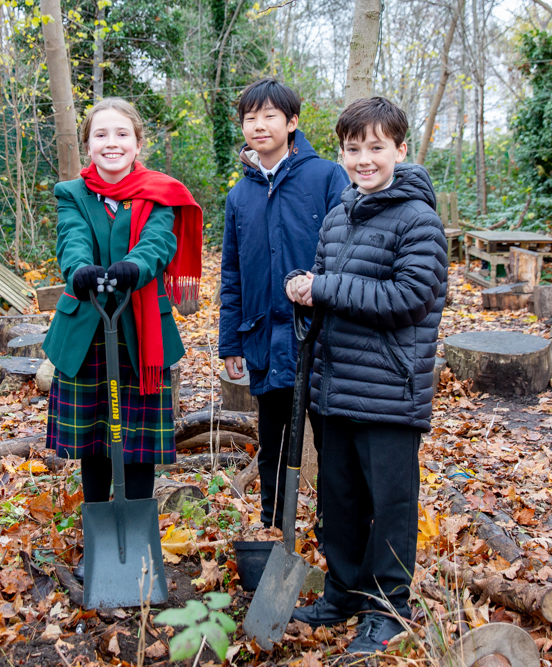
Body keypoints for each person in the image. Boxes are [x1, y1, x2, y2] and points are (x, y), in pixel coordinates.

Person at [284, 97, 448, 654]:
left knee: (390, 504)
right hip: (335, 386)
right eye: (353, 149)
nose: (364, 159)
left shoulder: (419, 220)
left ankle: (387, 608)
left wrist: (323, 288)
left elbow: (408, 298)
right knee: (341, 499)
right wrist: (304, 286)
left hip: (388, 389)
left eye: (377, 147)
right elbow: (330, 287)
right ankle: (343, 592)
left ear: (401, 150)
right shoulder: (339, 215)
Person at [42, 98, 203, 583]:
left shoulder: (161, 193)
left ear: (138, 143)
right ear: (87, 143)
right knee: (93, 440)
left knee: (138, 446)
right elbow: (70, 239)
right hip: (87, 331)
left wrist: (136, 266)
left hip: (140, 336)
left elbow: (160, 241)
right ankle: (99, 534)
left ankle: (134, 536)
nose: (111, 143)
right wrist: (80, 270)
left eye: (121, 135)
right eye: (101, 135)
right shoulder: (71, 192)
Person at [218, 79, 349, 541]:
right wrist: (230, 340)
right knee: (271, 442)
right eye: (250, 118)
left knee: (332, 444)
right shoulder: (239, 195)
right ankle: (274, 532)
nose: (259, 125)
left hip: (321, 338)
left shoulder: (327, 177)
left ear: (292, 123)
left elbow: (347, 252)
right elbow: (231, 273)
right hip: (263, 340)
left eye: (270, 115)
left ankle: (333, 536)